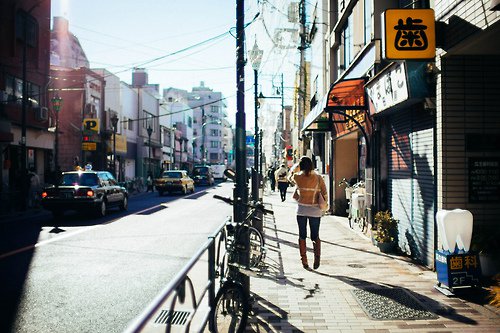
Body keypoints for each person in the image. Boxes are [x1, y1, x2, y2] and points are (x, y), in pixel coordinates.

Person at [289, 156, 327, 270]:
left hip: (301, 210)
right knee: (315, 235)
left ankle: (304, 260)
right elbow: (325, 193)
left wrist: (296, 167)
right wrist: (325, 205)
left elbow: (289, 176)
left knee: (302, 235)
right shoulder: (318, 178)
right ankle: (317, 258)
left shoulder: (298, 177)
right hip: (315, 210)